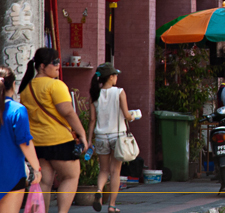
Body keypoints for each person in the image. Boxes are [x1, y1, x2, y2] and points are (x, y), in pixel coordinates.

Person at [19, 48, 88, 213]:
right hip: (60, 141)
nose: (58, 66)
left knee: (44, 182)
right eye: (54, 63)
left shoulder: (26, 88)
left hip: (37, 143)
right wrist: (82, 134)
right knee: (70, 177)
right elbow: (68, 111)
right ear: (42, 66)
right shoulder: (55, 85)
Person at [87, 63, 136, 212]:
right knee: (115, 172)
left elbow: (92, 120)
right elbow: (127, 115)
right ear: (111, 77)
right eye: (115, 75)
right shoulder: (119, 92)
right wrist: (133, 116)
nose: (117, 77)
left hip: (101, 137)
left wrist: (89, 140)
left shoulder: (95, 95)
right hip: (118, 137)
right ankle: (112, 205)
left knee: (103, 170)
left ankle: (99, 191)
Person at [0, 66, 42, 213]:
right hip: (11, 174)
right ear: (13, 85)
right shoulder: (17, 110)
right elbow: (25, 143)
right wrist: (36, 169)